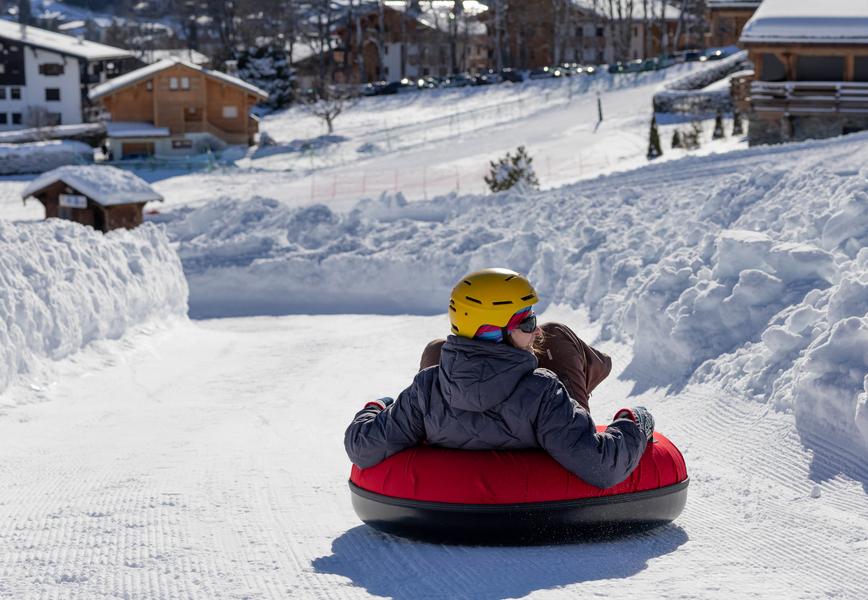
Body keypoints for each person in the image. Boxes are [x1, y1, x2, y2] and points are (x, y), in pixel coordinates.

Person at [344, 268, 655, 489]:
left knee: (439, 349)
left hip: (447, 449)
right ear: (493, 329)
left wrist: (376, 407)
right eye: (528, 320)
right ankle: (595, 364)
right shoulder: (542, 390)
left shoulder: (427, 387)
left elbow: (362, 447)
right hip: (549, 447)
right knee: (557, 335)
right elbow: (601, 466)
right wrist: (633, 423)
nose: (535, 329)